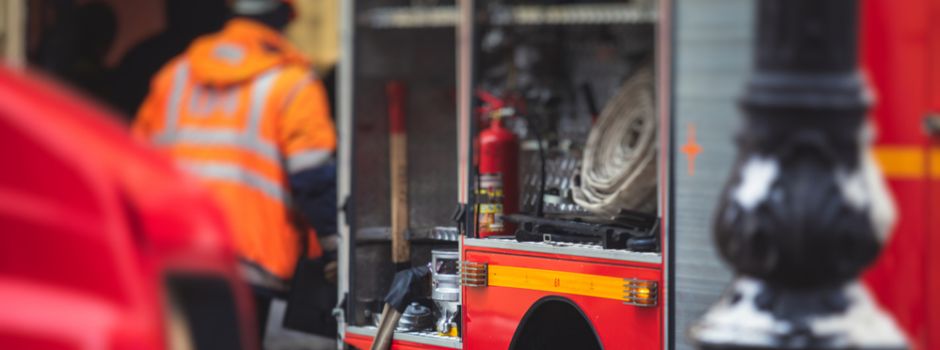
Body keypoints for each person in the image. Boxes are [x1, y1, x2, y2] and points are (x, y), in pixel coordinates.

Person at [132, 0, 338, 342]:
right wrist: (336, 246)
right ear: (285, 17)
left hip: (174, 251)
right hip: (249, 259)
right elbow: (313, 178)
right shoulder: (293, 85)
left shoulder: (174, 76)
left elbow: (133, 164)